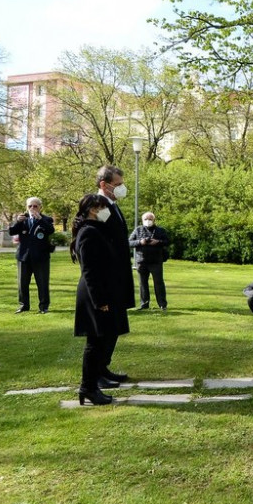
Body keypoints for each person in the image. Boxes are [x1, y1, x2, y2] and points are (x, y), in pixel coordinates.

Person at [70, 193, 131, 405]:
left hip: (104, 292)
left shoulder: (96, 229)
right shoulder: (88, 232)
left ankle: (91, 385)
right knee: (94, 343)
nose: (107, 211)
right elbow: (89, 271)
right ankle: (87, 387)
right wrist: (99, 300)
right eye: (103, 207)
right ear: (93, 209)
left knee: (100, 341)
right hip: (95, 295)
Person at [93, 164, 135, 385]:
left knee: (116, 325)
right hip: (107, 277)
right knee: (106, 326)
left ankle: (104, 367)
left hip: (118, 274)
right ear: (104, 184)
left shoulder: (112, 204)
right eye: (117, 185)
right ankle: (97, 372)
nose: (121, 188)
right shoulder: (97, 206)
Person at [8, 196, 55, 314]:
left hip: (41, 256)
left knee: (42, 283)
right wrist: (17, 221)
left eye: (35, 206)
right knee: (22, 283)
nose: (32, 208)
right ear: (26, 207)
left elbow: (50, 230)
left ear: (40, 207)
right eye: (30, 206)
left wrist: (40, 219)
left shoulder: (46, 219)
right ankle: (24, 305)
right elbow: (11, 231)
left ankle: (44, 306)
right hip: (24, 256)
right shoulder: (23, 219)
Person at [128, 211, 170, 311]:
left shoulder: (160, 230)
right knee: (143, 283)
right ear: (142, 220)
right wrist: (140, 242)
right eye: (146, 219)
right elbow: (128, 242)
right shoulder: (138, 230)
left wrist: (157, 242)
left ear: (154, 220)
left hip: (156, 261)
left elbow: (167, 241)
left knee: (158, 283)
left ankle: (162, 304)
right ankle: (144, 304)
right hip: (141, 261)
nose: (148, 221)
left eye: (150, 219)